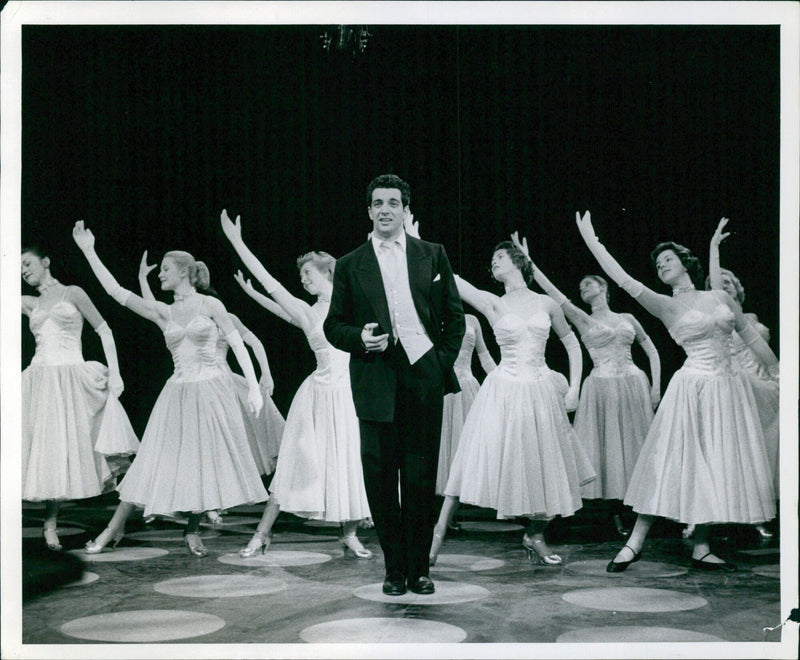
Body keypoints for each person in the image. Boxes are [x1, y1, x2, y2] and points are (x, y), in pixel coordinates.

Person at [575, 211, 778, 572]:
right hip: (692, 388)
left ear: (685, 263)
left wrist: (781, 374)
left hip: (728, 391)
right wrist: (593, 242)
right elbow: (622, 280)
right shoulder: (665, 304)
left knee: (714, 466)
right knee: (670, 465)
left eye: (668, 259)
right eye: (658, 264)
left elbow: (749, 338)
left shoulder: (719, 297)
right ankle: (634, 542)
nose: (662, 266)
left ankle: (701, 544)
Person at [72, 222, 267, 557]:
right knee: (152, 461)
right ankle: (113, 528)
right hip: (177, 393)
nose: (160, 275)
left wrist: (254, 387)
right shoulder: (164, 311)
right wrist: (89, 250)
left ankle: (191, 530)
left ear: (184, 273)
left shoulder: (210, 305)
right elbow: (116, 293)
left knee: (201, 464)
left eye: (165, 269)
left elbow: (237, 344)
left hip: (211, 391)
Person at [324, 174, 466, 596]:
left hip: (423, 376)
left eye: (393, 202)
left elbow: (453, 319)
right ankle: (394, 568)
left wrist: (438, 365)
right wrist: (359, 339)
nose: (385, 209)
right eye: (378, 203)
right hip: (375, 379)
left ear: (405, 210)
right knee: (382, 479)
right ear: (369, 211)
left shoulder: (432, 254)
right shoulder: (351, 263)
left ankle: (420, 569)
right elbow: (334, 325)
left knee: (421, 479)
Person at [428, 237, 594, 567]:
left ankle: (535, 534)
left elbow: (573, 344)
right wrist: (419, 244)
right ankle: (436, 538)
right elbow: (454, 281)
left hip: (539, 388)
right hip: (504, 388)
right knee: (471, 459)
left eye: (500, 256)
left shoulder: (546, 304)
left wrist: (574, 387)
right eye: (492, 260)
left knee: (546, 466)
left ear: (519, 261)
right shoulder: (493, 303)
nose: (494, 262)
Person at [221, 212, 372, 559]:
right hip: (318, 396)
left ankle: (348, 533)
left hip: (349, 393)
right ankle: (262, 533)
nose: (302, 279)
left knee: (348, 462)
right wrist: (238, 246)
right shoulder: (308, 312)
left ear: (327, 272)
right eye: (301, 275)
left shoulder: (353, 305)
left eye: (308, 273)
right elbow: (274, 289)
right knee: (297, 464)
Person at [510, 232, 661, 537]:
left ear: (603, 288)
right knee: (605, 451)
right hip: (601, 387)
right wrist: (528, 262)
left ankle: (640, 509)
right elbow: (553, 291)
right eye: (581, 287)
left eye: (589, 284)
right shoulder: (581, 319)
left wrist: (657, 385)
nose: (583, 288)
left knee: (635, 447)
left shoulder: (628, 317)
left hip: (632, 384)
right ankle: (608, 512)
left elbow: (651, 348)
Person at [21, 245, 139, 551]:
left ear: (46, 260)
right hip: (41, 379)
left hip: (72, 378)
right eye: (19, 267)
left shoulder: (72, 293)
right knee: (49, 453)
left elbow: (104, 329)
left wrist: (116, 374)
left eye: (28, 263)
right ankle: (49, 525)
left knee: (97, 448)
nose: (23, 270)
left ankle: (125, 514)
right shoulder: (30, 302)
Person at [138, 250, 284, 487]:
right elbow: (153, 310)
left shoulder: (222, 314)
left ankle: (218, 493)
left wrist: (265, 374)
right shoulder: (182, 313)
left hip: (220, 379)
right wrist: (143, 280)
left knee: (226, 439)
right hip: (197, 380)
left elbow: (252, 343)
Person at [706, 217, 779, 539]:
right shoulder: (714, 316)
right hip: (733, 385)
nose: (724, 288)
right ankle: (715, 514)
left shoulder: (750, 319)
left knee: (761, 449)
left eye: (729, 283)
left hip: (761, 385)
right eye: (717, 285)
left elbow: (761, 351)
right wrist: (714, 248)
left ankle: (758, 511)